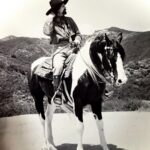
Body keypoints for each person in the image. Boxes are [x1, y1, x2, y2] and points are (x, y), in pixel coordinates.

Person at [43, 0, 82, 105]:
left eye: (64, 5)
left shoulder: (70, 20)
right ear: (57, 9)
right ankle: (58, 93)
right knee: (59, 66)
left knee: (86, 62)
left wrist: (77, 40)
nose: (65, 7)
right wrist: (50, 17)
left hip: (73, 48)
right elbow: (47, 32)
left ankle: (98, 88)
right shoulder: (51, 22)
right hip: (59, 50)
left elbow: (78, 33)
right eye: (62, 6)